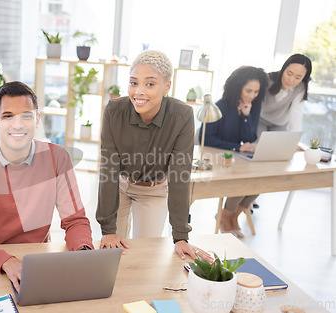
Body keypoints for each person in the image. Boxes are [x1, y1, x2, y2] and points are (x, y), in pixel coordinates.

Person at [0, 81, 93, 292]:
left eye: (26, 116)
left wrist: (83, 252)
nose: (18, 125)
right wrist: (7, 261)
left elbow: (75, 220)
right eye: (8, 116)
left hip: (36, 261)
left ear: (37, 120)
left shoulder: (57, 157)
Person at [96, 50, 212, 262]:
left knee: (144, 256)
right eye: (133, 83)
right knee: (111, 255)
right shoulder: (114, 111)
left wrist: (180, 236)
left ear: (167, 86)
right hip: (119, 186)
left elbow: (180, 174)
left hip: (154, 190)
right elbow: (108, 168)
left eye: (150, 84)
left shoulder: (182, 116)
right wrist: (107, 229)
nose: (138, 92)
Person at [200, 66, 269, 237]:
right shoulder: (220, 107)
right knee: (243, 178)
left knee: (262, 179)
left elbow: (249, 136)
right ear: (237, 87)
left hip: (235, 158)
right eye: (248, 90)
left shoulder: (253, 106)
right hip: (216, 157)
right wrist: (236, 147)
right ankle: (226, 216)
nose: (252, 95)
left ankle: (232, 215)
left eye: (256, 91)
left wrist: (246, 115)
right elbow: (206, 138)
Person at [257, 54, 312, 135]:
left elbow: (296, 114)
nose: (291, 80)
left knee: (279, 147)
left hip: (280, 123)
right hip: (260, 119)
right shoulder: (268, 79)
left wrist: (294, 138)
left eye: (298, 77)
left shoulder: (301, 87)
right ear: (283, 69)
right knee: (258, 146)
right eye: (289, 74)